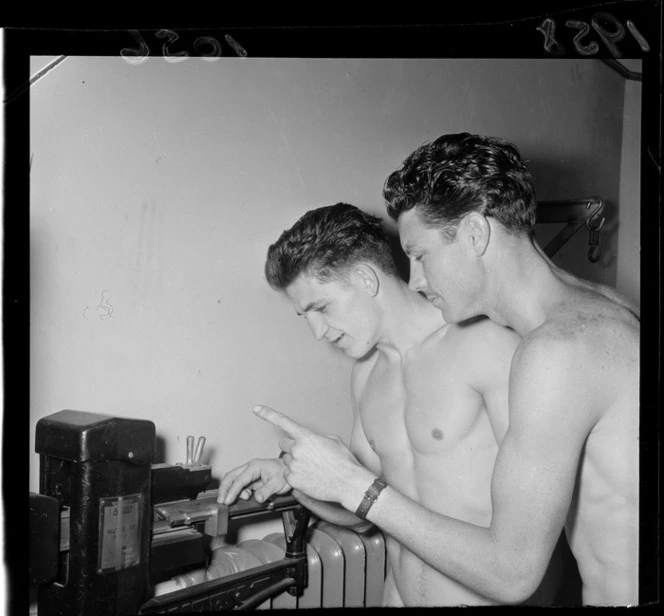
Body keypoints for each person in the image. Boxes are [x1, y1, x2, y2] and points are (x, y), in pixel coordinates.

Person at [249, 134, 639, 606]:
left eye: (419, 255)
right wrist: (306, 476)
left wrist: (354, 484)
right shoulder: (595, 318)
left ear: (475, 234)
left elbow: (516, 570)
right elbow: (374, 506)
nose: (413, 278)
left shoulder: (548, 350)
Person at [218, 202, 565, 606]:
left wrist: (349, 482)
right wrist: (299, 477)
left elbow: (531, 554)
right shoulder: (366, 374)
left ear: (366, 278)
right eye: (304, 316)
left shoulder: (488, 346)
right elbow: (363, 513)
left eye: (321, 308)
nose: (317, 332)